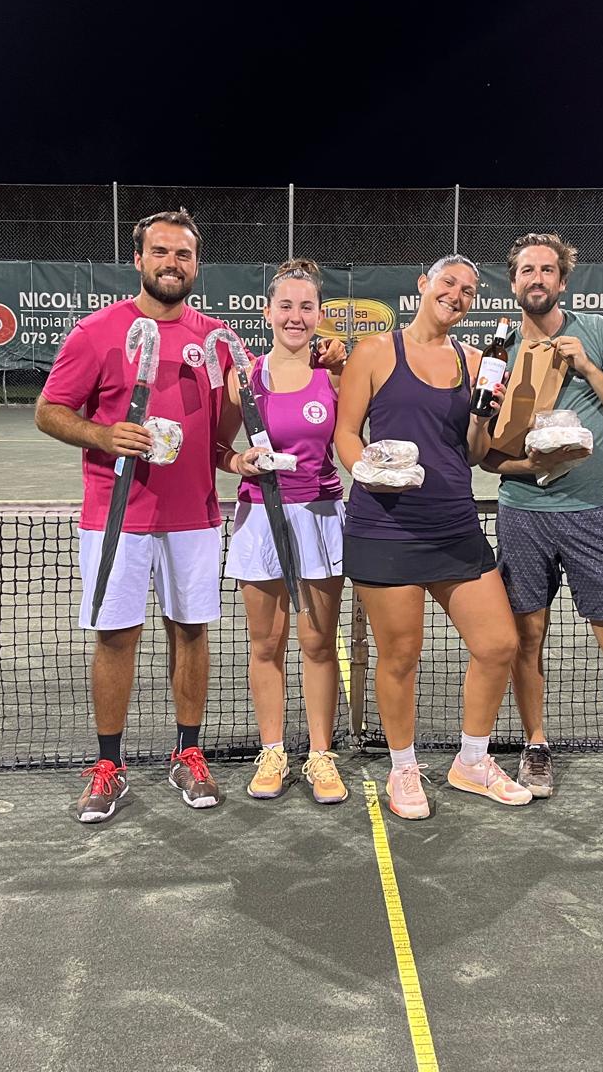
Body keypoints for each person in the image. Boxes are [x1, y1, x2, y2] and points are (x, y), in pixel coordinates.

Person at [36, 208, 249, 823]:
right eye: (160, 252)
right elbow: (50, 411)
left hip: (194, 517)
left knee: (192, 631)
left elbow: (221, 430)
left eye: (183, 254)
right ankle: (109, 764)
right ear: (138, 260)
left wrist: (236, 437)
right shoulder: (97, 332)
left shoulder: (215, 340)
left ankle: (188, 752)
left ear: (196, 265)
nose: (171, 264)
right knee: (115, 636)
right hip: (116, 518)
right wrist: (103, 436)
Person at [334, 254, 532, 820]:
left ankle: (471, 761)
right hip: (385, 525)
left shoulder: (476, 363)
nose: (457, 295)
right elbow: (346, 433)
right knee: (400, 657)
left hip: (453, 524)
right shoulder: (375, 351)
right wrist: (368, 471)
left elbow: (472, 452)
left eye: (469, 290)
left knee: (498, 644)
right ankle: (403, 768)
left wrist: (481, 419)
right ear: (424, 284)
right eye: (449, 283)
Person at [481, 232, 603, 807]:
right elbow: (484, 453)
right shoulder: (498, 350)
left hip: (591, 514)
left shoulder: (599, 334)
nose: (536, 279)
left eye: (547, 270)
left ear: (562, 281)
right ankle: (535, 745)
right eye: (526, 271)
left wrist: (586, 366)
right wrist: (530, 463)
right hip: (523, 514)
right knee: (526, 637)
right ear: (513, 283)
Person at [215, 258, 350, 804]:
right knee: (266, 643)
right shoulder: (243, 379)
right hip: (259, 520)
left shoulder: (334, 375)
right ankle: (272, 751)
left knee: (318, 643)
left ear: (319, 314)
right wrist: (238, 462)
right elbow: (218, 448)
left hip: (319, 517)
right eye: (286, 306)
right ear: (268, 312)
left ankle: (320, 755)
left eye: (307, 307)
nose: (296, 316)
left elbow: (355, 440)